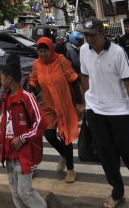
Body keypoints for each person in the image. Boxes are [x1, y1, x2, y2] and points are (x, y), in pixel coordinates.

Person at [79, 18, 129, 208]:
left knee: (127, 149)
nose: (88, 39)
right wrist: (84, 104)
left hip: (119, 110)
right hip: (95, 109)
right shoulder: (83, 51)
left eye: (92, 35)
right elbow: (84, 79)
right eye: (85, 35)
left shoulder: (118, 52)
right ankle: (117, 191)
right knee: (106, 154)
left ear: (102, 34)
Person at [28, 37, 82, 184]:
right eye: (40, 51)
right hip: (49, 106)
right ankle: (64, 155)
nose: (42, 54)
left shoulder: (61, 60)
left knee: (65, 138)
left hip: (65, 104)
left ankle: (70, 170)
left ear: (51, 49)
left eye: (45, 51)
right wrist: (31, 89)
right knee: (50, 135)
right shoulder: (37, 64)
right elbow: (33, 79)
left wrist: (79, 102)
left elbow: (73, 79)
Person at [0, 62, 47, 208]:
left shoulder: (27, 98)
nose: (0, 81)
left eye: (1, 78)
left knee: (25, 192)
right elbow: (5, 124)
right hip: (9, 154)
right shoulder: (6, 99)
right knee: (16, 194)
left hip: (24, 155)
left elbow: (41, 123)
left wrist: (23, 137)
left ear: (9, 79)